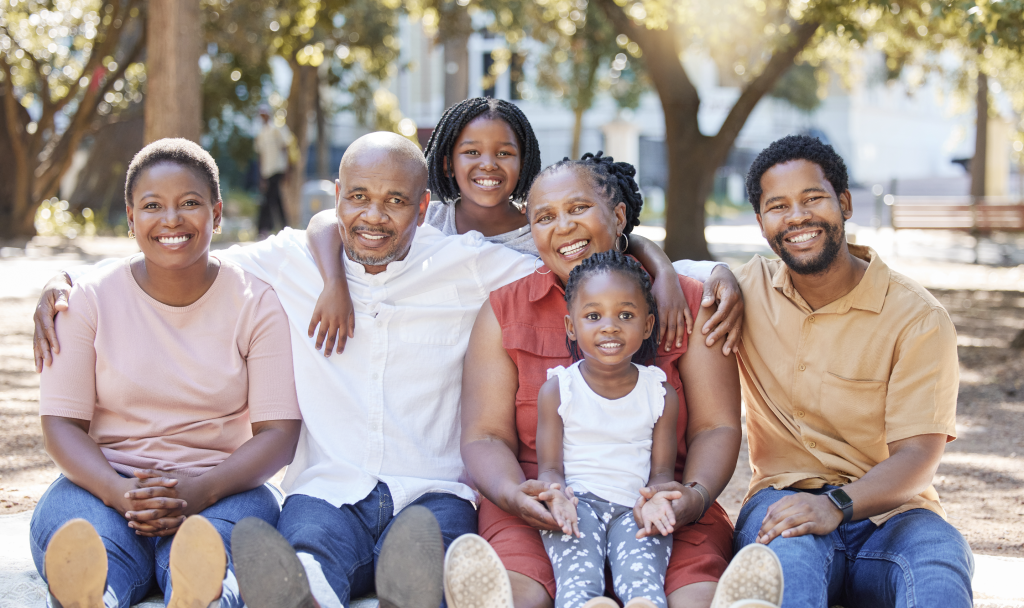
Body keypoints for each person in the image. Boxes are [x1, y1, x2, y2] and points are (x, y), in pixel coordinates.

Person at [31, 135, 742, 608]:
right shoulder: (284, 260)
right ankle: (302, 589)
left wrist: (673, 266)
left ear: (425, 210)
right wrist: (69, 277)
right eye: (359, 199)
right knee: (310, 545)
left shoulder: (470, 266)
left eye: (397, 201)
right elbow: (177, 248)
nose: (375, 216)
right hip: (331, 480)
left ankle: (410, 586)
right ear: (334, 198)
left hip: (429, 482)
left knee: (433, 541)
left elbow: (582, 259)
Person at [458, 153, 770, 608]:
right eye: (545, 217)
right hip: (544, 505)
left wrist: (695, 497)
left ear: (618, 215)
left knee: (693, 599)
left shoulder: (683, 301)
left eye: (578, 208)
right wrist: (512, 494)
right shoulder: (505, 310)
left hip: (663, 502)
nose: (562, 226)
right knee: (519, 598)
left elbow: (717, 427)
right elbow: (484, 435)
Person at [31, 138, 302, 608]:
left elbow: (279, 433)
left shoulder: (257, 303)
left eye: (190, 204)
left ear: (216, 214)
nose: (172, 219)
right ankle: (95, 597)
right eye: (153, 205)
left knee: (213, 551)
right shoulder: (86, 299)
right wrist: (119, 492)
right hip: (103, 482)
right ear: (132, 217)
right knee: (87, 543)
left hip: (222, 486)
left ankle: (203, 596)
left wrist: (201, 490)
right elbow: (60, 425)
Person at [732, 135, 973, 607]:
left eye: (813, 198)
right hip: (785, 497)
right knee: (787, 574)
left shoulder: (917, 318)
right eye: (778, 206)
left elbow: (919, 456)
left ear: (844, 203)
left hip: (894, 513)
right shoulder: (744, 290)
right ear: (761, 224)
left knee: (940, 562)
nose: (797, 216)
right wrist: (716, 274)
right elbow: (634, 262)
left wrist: (835, 505)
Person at [536, 251, 681, 608]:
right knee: (577, 580)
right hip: (577, 505)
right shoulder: (559, 389)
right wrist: (557, 499)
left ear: (647, 326)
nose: (610, 326)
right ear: (572, 326)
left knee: (643, 583)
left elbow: (662, 473)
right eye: (593, 316)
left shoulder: (659, 392)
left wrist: (657, 502)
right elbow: (550, 469)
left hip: (634, 507)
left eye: (626, 315)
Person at [254, 105, 294, 237]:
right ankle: (283, 226)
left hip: (278, 169)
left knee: (269, 199)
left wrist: (287, 170)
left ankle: (263, 227)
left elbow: (285, 148)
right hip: (267, 171)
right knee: (275, 199)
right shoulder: (261, 133)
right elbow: (260, 155)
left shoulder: (277, 129)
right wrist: (261, 176)